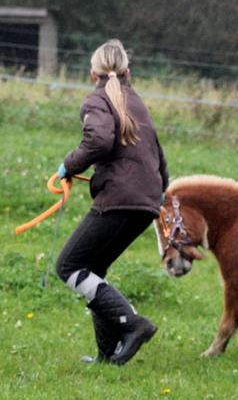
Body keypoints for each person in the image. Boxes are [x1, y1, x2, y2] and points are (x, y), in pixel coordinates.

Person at [54, 39, 169, 365]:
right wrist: (158, 193)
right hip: (146, 201)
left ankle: (134, 325)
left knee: (69, 266)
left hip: (120, 200)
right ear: (127, 72)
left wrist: (69, 165)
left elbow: (98, 140)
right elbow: (158, 154)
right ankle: (106, 355)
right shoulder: (137, 102)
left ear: (93, 74)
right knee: (94, 270)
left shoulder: (97, 100)